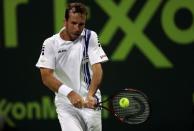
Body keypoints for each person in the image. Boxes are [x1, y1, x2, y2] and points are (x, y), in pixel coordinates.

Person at [36, 2, 108, 131]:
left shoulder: (90, 36)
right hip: (66, 104)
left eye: (81, 24)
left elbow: (97, 70)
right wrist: (70, 93)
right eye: (73, 23)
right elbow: (46, 76)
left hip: (90, 101)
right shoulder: (50, 43)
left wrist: (90, 95)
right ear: (65, 22)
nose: (77, 28)